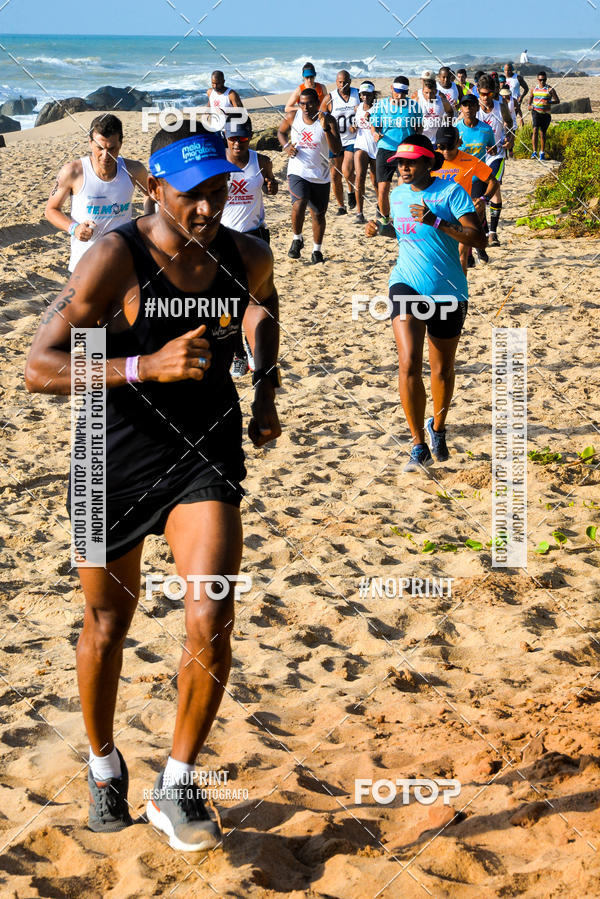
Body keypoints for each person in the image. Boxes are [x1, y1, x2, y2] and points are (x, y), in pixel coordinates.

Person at [25, 120, 282, 848]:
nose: (205, 209)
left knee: (211, 615)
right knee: (107, 624)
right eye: (189, 196)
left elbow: (262, 308)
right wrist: (144, 365)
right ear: (153, 188)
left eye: (216, 193)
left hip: (204, 456)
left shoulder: (245, 253)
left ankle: (177, 783)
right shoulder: (115, 257)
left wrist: (265, 390)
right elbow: (39, 367)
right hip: (109, 455)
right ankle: (105, 763)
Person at [364, 134, 486, 471]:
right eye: (399, 163)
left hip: (448, 290)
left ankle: (438, 428)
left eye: (410, 162)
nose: (402, 168)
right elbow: (404, 231)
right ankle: (417, 443)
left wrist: (436, 220)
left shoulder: (450, 192)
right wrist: (381, 228)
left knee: (443, 370)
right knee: (407, 363)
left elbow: (477, 237)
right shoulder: (397, 193)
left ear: (428, 163)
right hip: (406, 284)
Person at [45, 114, 154, 272]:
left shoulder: (134, 170)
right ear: (90, 143)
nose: (105, 156)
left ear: (120, 144)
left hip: (123, 262)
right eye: (100, 148)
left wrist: (147, 222)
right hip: (84, 266)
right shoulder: (73, 172)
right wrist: (74, 228)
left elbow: (151, 195)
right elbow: (50, 210)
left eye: (112, 149)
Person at [221, 116, 278, 377]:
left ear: (250, 137)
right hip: (224, 239)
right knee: (230, 302)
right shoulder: (217, 164)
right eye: (232, 138)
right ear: (225, 138)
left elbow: (271, 188)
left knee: (256, 298)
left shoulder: (261, 161)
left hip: (255, 237)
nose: (237, 143)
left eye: (242, 139)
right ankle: (238, 353)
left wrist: (271, 185)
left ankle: (253, 349)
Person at [278, 87, 342, 263]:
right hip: (298, 171)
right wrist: (286, 147)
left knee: (318, 214)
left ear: (317, 103)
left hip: (320, 173)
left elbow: (336, 149)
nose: (305, 107)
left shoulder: (327, 119)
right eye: (302, 104)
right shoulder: (293, 117)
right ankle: (297, 239)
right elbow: (281, 132)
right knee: (299, 202)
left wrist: (326, 130)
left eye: (309, 104)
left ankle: (317, 250)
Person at [433, 125, 498, 271]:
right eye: (441, 147)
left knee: (462, 257)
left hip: (461, 214)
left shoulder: (470, 161)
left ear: (458, 143)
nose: (445, 151)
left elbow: (493, 181)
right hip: (437, 213)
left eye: (449, 147)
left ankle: (461, 292)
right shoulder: (430, 161)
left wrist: (484, 199)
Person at [370, 75, 422, 236]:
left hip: (405, 151)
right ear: (392, 89)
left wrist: (416, 140)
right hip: (385, 149)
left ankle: (401, 219)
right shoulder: (382, 105)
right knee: (382, 189)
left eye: (403, 93)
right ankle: (385, 221)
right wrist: (375, 133)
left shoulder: (414, 107)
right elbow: (374, 124)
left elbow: (419, 127)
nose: (399, 96)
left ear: (407, 92)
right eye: (397, 91)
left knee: (403, 188)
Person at [476, 74, 513, 245]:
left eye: (489, 94)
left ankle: (493, 232)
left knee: (495, 189)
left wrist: (509, 140)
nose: (485, 98)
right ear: (478, 91)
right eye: (483, 94)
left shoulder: (501, 106)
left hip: (496, 154)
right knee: (478, 197)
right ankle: (484, 230)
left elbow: (509, 124)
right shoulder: (473, 107)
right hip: (477, 157)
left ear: (494, 93)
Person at [320, 70, 360, 215]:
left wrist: (359, 122)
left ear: (350, 81)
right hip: (336, 140)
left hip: (353, 139)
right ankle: (341, 206)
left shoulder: (357, 94)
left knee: (347, 170)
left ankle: (350, 191)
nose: (342, 85)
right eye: (340, 82)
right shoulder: (330, 98)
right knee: (335, 175)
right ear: (336, 82)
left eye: (345, 81)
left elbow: (368, 110)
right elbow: (321, 116)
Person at [353, 81, 378, 224]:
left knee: (375, 180)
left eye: (368, 94)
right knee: (360, 177)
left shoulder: (378, 108)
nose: (365, 97)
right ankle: (359, 213)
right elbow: (356, 125)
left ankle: (380, 207)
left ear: (373, 95)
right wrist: (353, 127)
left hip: (375, 147)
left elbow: (382, 125)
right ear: (360, 95)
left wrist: (374, 119)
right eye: (363, 94)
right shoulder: (358, 108)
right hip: (361, 144)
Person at [529, 71, 559, 160]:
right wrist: (529, 106)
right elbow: (530, 99)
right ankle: (534, 152)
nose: (542, 81)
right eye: (540, 80)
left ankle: (542, 152)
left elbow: (557, 101)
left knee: (542, 133)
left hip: (546, 114)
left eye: (544, 80)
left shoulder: (550, 89)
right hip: (536, 112)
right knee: (535, 130)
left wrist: (549, 102)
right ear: (537, 79)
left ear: (546, 79)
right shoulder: (533, 89)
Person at [412, 77, 453, 142]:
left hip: (437, 139)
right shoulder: (417, 101)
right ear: (422, 91)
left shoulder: (443, 101)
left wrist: (447, 125)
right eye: (426, 93)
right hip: (422, 138)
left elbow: (450, 112)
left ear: (436, 91)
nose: (429, 96)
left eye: (432, 93)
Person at [503, 63, 529, 128]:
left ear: (512, 70)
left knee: (512, 119)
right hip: (504, 101)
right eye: (506, 70)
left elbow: (526, 89)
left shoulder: (518, 78)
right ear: (504, 70)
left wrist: (521, 97)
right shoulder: (502, 79)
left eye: (509, 70)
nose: (507, 72)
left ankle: (512, 133)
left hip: (515, 101)